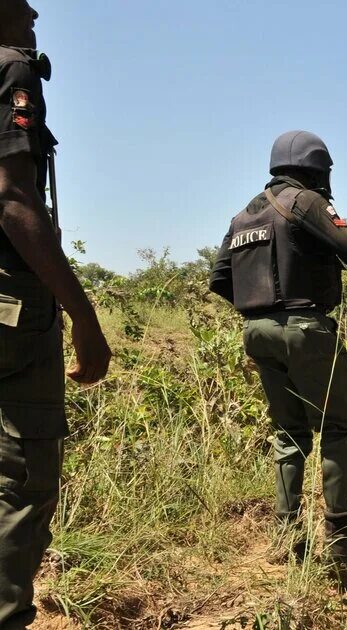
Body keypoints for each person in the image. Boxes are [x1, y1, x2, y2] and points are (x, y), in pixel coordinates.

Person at [209, 130, 347, 567]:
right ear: (316, 169)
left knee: (289, 433)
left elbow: (218, 280)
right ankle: (341, 539)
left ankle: (287, 539)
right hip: (305, 329)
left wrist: (263, 311)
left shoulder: (244, 215)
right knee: (338, 428)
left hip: (256, 331)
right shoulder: (306, 202)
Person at [0, 4, 113, 627]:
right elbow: (15, 203)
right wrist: (83, 313)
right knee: (25, 475)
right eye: (20, 1)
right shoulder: (13, 69)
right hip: (12, 312)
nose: (33, 11)